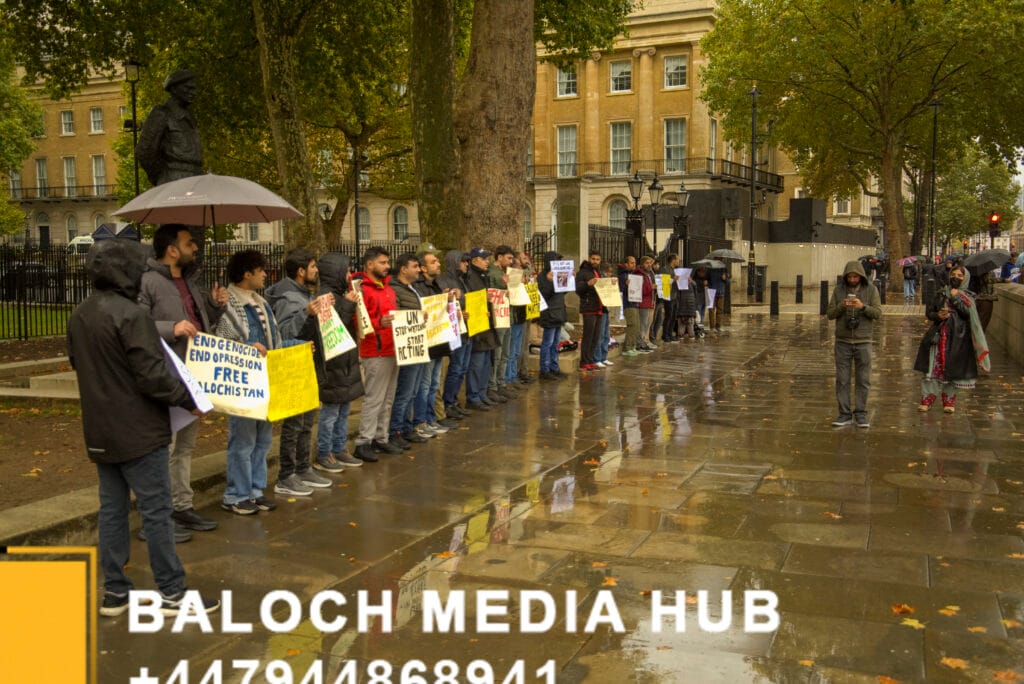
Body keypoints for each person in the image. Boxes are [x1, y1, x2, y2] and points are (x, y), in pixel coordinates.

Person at [69, 239, 218, 617]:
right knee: (156, 511)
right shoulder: (131, 316)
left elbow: (77, 361)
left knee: (113, 510)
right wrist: (189, 400)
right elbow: (151, 375)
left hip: (101, 431)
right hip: (139, 430)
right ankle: (171, 592)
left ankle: (115, 593)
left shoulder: (80, 314)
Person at [138, 224, 226, 536]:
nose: (195, 248)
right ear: (172, 250)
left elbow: (200, 323)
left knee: (186, 446)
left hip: (194, 375)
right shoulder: (147, 281)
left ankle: (182, 505)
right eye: (189, 244)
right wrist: (170, 328)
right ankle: (161, 514)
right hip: (168, 373)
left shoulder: (190, 281)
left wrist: (214, 306)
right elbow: (135, 324)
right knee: (167, 446)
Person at [215, 250, 288, 514]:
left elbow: (273, 340)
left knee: (262, 439)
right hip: (243, 381)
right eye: (261, 270)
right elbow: (222, 343)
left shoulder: (261, 301)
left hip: (264, 378)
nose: (265, 274)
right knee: (243, 440)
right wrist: (247, 346)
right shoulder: (228, 303)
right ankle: (236, 494)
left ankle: (256, 490)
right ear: (247, 273)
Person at [264, 249, 334, 495]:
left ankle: (303, 468)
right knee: (294, 424)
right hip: (293, 367)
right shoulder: (288, 298)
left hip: (309, 364)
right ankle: (286, 475)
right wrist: (308, 313)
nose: (317, 270)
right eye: (313, 266)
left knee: (306, 422)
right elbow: (283, 333)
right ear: (301, 271)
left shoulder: (304, 294)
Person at [312, 253, 365, 471]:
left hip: (345, 361)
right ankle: (325, 453)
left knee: (343, 409)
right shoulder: (326, 296)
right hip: (334, 363)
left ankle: (339, 448)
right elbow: (331, 329)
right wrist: (347, 305)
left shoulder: (341, 294)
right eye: (345, 271)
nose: (349, 275)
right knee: (331, 411)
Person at [914, 266, 990, 413]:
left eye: (960, 275)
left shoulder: (969, 296)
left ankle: (949, 400)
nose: (956, 278)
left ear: (965, 278)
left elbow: (968, 315)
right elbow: (930, 312)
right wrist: (938, 316)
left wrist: (955, 298)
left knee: (952, 369)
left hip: (958, 339)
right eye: (953, 274)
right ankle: (927, 399)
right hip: (938, 336)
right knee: (933, 367)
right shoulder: (941, 292)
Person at [352, 247, 404, 460]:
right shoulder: (363, 289)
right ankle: (364, 441)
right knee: (374, 398)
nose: (387, 266)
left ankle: (381, 437)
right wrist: (379, 323)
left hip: (393, 348)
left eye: (387, 262)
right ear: (370, 264)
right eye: (382, 262)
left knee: (388, 398)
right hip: (376, 350)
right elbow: (359, 322)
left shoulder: (388, 289)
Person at [826, 260, 882, 428]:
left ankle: (861, 413)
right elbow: (829, 314)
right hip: (843, 341)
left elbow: (877, 313)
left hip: (863, 341)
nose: (852, 279)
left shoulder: (871, 290)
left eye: (855, 276)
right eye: (849, 276)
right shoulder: (838, 290)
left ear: (861, 276)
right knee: (842, 379)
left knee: (863, 379)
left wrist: (862, 307)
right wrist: (842, 306)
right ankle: (844, 413)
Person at [412, 247, 456, 434]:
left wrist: (448, 299)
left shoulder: (436, 284)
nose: (438, 264)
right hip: (429, 341)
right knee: (425, 383)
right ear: (422, 268)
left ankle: (430, 418)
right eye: (433, 262)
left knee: (434, 384)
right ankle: (421, 420)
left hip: (439, 340)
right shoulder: (419, 287)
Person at [135, 70, 204, 186]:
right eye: (188, 88)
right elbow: (144, 152)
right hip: (174, 180)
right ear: (174, 89)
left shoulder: (190, 117)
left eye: (194, 89)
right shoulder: (161, 114)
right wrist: (162, 177)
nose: (193, 92)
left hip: (196, 180)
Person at [464, 247, 500, 410]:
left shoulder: (483, 276)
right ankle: (474, 396)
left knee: (486, 362)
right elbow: (469, 299)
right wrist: (482, 298)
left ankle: (482, 393)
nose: (487, 261)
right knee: (477, 364)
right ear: (474, 260)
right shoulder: (470, 277)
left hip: (487, 323)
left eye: (487, 258)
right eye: (484, 258)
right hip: (477, 326)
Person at [439, 250, 472, 418]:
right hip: (456, 331)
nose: (466, 264)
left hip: (466, 330)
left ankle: (453, 400)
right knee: (456, 368)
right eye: (463, 261)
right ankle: (449, 402)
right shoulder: (444, 280)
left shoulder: (462, 280)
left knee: (462, 368)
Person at [487, 245, 517, 403]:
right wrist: (504, 285)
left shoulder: (506, 273)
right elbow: (491, 294)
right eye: (508, 258)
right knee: (497, 354)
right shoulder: (493, 273)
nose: (511, 261)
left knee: (505, 353)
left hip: (507, 316)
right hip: (499, 318)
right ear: (499, 257)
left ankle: (501, 382)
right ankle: (493, 385)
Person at [538, 251, 568, 381]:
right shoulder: (543, 276)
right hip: (549, 313)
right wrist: (551, 281)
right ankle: (545, 369)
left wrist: (568, 279)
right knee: (548, 342)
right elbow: (544, 294)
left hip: (558, 312)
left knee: (556, 343)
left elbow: (563, 291)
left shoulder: (557, 274)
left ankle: (554, 368)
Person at [576, 250, 605, 371]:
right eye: (593, 259)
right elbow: (578, 289)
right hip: (589, 307)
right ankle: (584, 361)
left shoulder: (598, 271)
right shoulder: (583, 272)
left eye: (597, 259)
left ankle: (590, 359)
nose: (595, 261)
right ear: (589, 259)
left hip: (599, 307)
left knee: (596, 336)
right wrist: (587, 284)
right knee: (588, 335)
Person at [618, 256, 640, 356]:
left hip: (634, 302)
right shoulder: (623, 275)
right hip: (628, 303)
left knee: (636, 325)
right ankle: (627, 347)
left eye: (635, 263)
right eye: (631, 263)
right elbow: (620, 289)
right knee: (632, 324)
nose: (634, 265)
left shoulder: (632, 274)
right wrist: (626, 284)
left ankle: (632, 346)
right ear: (626, 264)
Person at [638, 256, 657, 349]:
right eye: (647, 263)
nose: (649, 265)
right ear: (642, 264)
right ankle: (641, 343)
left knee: (647, 323)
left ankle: (644, 341)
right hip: (643, 302)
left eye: (650, 263)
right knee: (642, 324)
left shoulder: (649, 273)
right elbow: (640, 290)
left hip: (649, 301)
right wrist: (651, 287)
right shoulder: (639, 274)